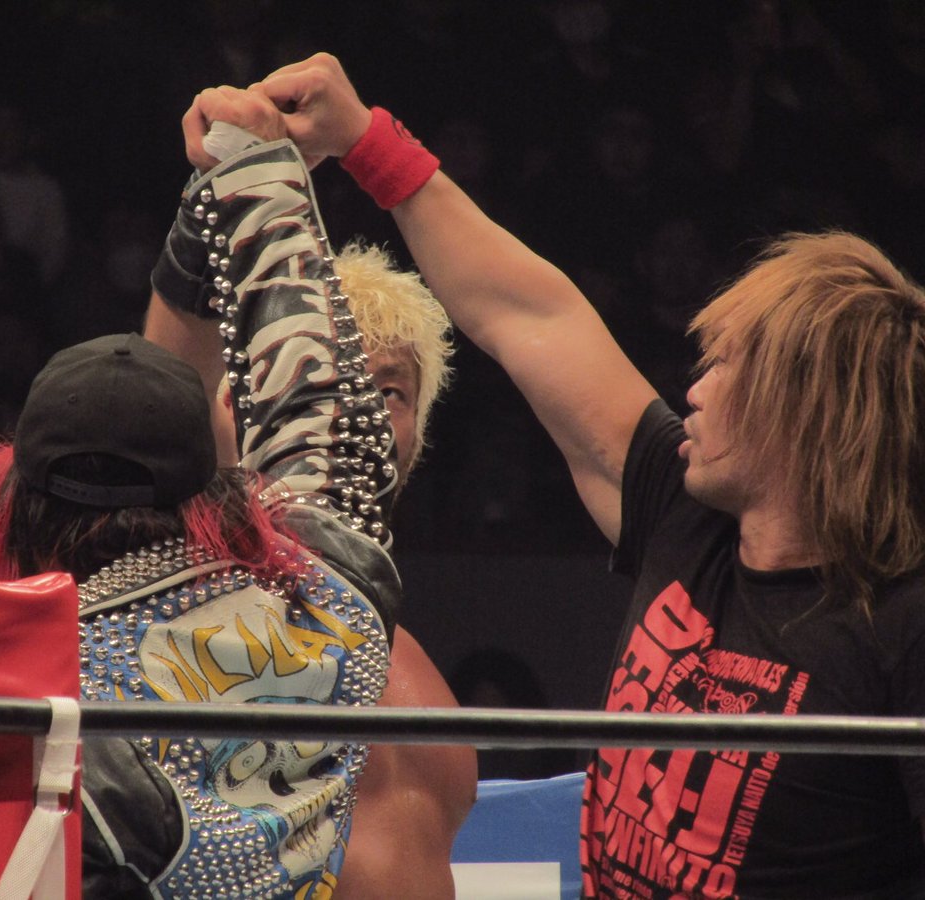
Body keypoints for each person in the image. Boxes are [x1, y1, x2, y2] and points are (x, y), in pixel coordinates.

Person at [254, 53, 925, 898]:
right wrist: (365, 141)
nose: (694, 389)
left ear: (801, 410)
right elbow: (530, 315)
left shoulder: (901, 625)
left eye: (725, 366)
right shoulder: (687, 517)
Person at [0, 88, 401, 898]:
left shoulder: (41, 706)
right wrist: (245, 167)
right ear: (211, 491)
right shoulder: (334, 594)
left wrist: (241, 168)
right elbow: (320, 403)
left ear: (13, 503)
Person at [146, 235, 477, 898]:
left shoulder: (407, 662)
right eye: (316, 389)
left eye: (389, 392)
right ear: (234, 409)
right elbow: (161, 389)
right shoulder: (177, 609)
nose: (358, 419)